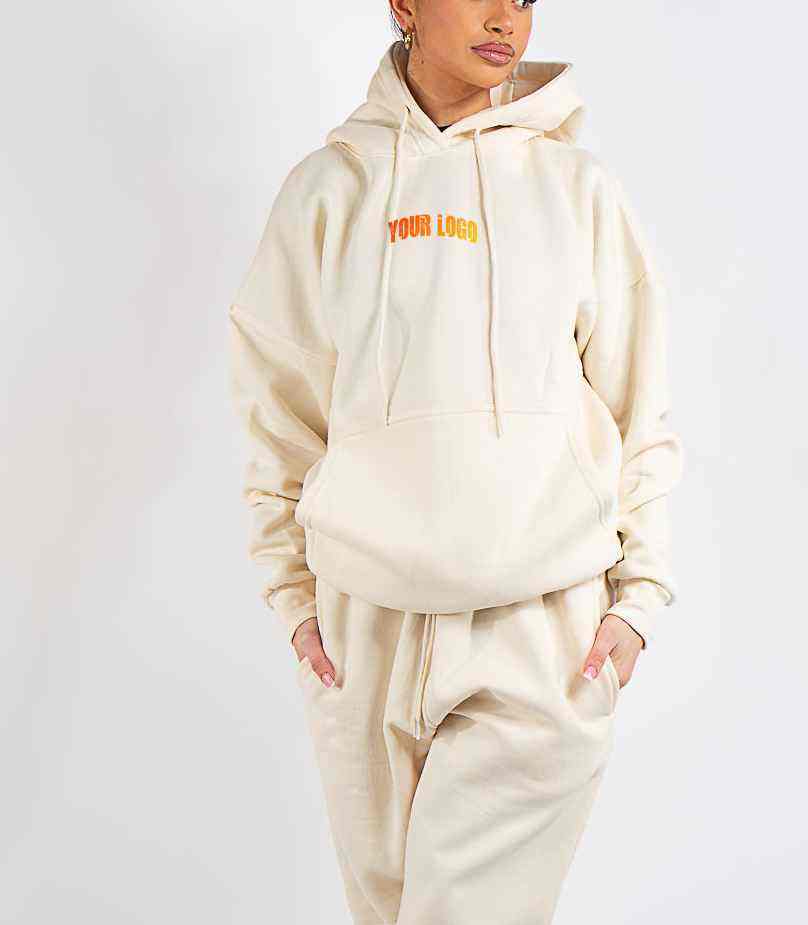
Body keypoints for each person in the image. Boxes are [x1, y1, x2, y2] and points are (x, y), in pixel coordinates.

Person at [228, 2, 683, 922]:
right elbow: (280, 413)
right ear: (403, 5)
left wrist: (638, 599)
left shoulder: (577, 189)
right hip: (363, 630)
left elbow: (640, 404)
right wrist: (295, 600)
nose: (504, 17)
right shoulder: (329, 190)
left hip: (540, 625)